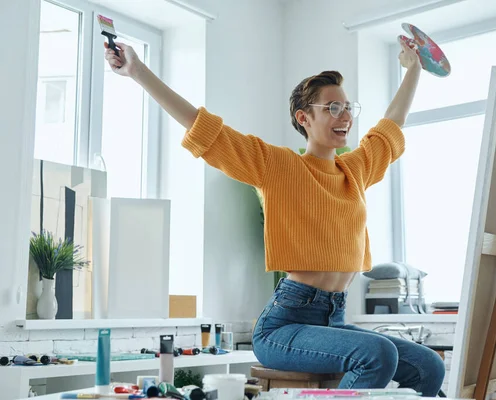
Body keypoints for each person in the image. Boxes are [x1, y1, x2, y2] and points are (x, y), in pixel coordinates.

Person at [104, 37, 445, 396]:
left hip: (334, 319)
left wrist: (413, 70)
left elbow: (391, 126)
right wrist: (137, 71)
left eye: (347, 108)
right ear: (304, 117)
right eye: (332, 108)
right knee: (377, 353)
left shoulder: (355, 170)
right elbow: (207, 131)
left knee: (428, 365)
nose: (344, 116)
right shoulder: (279, 166)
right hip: (285, 325)